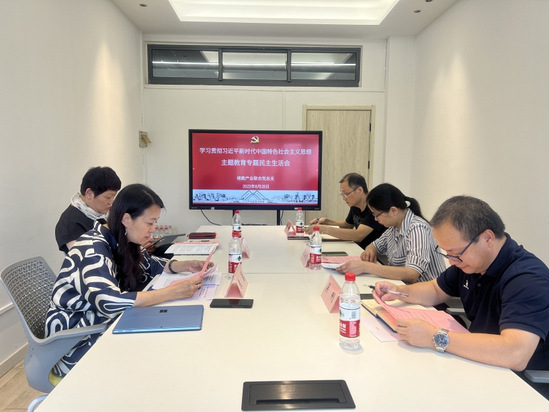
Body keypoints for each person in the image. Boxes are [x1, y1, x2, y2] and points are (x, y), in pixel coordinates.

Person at [372, 196, 549, 398]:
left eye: (455, 253)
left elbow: (515, 353)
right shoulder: (471, 263)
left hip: (519, 386)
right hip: (477, 362)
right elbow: (436, 290)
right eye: (447, 253)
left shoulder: (527, 279)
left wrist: (433, 336)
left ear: (488, 238)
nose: (452, 261)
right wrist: (398, 291)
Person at [45, 184, 212, 378]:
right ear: (126, 219)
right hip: (75, 342)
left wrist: (185, 265)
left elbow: (149, 265)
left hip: (103, 325)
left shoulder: (122, 239)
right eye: (149, 223)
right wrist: (172, 292)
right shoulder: (92, 248)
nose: (153, 229)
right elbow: (108, 301)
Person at [338, 183, 446, 283]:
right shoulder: (394, 227)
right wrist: (370, 250)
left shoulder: (417, 228)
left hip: (428, 295)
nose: (375, 219)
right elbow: (374, 245)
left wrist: (365, 267)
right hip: (402, 287)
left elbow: (412, 274)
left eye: (377, 214)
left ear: (393, 211)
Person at [305, 173, 385, 249]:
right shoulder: (355, 206)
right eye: (342, 194)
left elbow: (359, 235)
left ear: (359, 190)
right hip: (359, 248)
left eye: (346, 194)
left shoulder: (374, 207)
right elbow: (348, 225)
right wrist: (326, 221)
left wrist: (324, 229)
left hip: (374, 253)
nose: (344, 198)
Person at [55, 166, 121, 253]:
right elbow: (86, 256)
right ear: (89, 193)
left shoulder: (103, 213)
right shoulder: (71, 222)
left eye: (114, 196)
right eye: (108, 197)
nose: (112, 202)